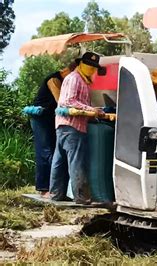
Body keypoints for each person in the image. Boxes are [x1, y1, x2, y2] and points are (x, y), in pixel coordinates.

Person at [49, 52, 105, 204]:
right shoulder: (75, 79)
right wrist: (92, 110)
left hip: (63, 125)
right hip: (73, 125)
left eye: (94, 67)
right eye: (89, 65)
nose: (92, 69)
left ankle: (56, 194)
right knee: (76, 162)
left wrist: (91, 110)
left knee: (59, 161)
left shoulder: (80, 80)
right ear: (80, 64)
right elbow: (69, 101)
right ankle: (81, 197)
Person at [28, 61, 77, 198]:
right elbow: (61, 100)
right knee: (45, 151)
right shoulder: (54, 80)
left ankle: (57, 189)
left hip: (51, 119)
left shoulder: (64, 80)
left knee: (55, 152)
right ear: (70, 70)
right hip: (41, 118)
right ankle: (44, 189)